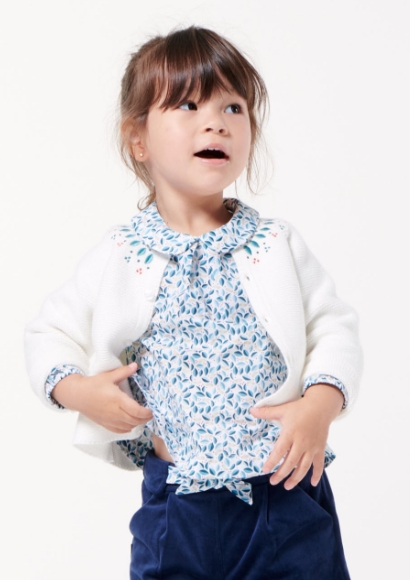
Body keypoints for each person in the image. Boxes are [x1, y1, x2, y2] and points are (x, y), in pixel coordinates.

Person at [24, 26, 362, 580]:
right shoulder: (123, 254)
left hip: (283, 493)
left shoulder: (274, 244)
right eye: (187, 105)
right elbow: (47, 335)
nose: (216, 122)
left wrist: (320, 404)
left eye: (233, 107)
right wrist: (79, 391)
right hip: (176, 504)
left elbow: (334, 328)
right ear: (138, 138)